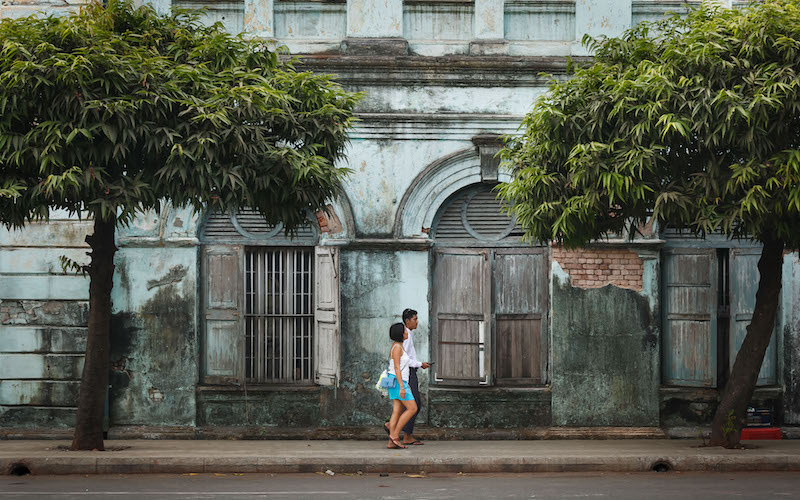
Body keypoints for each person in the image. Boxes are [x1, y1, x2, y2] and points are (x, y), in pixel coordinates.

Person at [385, 322, 417, 449]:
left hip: (396, 381)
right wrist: (402, 386)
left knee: (397, 411)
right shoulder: (397, 348)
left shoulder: (397, 346)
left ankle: (391, 442)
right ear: (400, 334)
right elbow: (397, 368)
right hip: (398, 382)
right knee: (412, 408)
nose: (406, 332)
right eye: (404, 330)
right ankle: (394, 436)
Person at [401, 308, 429, 445]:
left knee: (407, 405)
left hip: (410, 371)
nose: (417, 322)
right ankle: (405, 435)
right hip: (408, 373)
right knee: (414, 404)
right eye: (415, 319)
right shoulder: (406, 335)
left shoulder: (409, 334)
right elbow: (404, 358)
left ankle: (394, 427)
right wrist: (419, 364)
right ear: (407, 321)